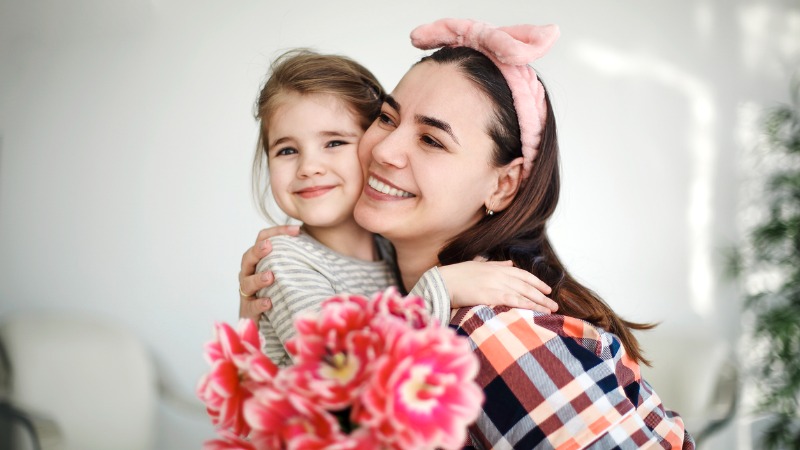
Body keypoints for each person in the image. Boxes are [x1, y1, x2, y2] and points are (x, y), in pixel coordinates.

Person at [239, 19, 695, 448]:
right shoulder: (382, 272)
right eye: (388, 119)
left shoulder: (490, 334)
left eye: (432, 140)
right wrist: (259, 321)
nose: (385, 150)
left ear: (502, 185)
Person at [249, 49, 557, 367]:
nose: (309, 167)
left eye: (334, 143)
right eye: (286, 150)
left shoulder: (388, 251)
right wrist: (443, 288)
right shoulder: (284, 259)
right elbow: (336, 366)